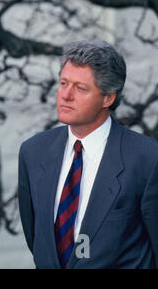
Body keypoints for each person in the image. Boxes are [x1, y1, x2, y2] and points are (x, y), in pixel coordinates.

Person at [18, 39, 158, 269]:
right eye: (63, 83)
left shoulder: (148, 159)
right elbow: (38, 241)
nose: (66, 95)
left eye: (80, 88)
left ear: (108, 98)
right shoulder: (33, 152)